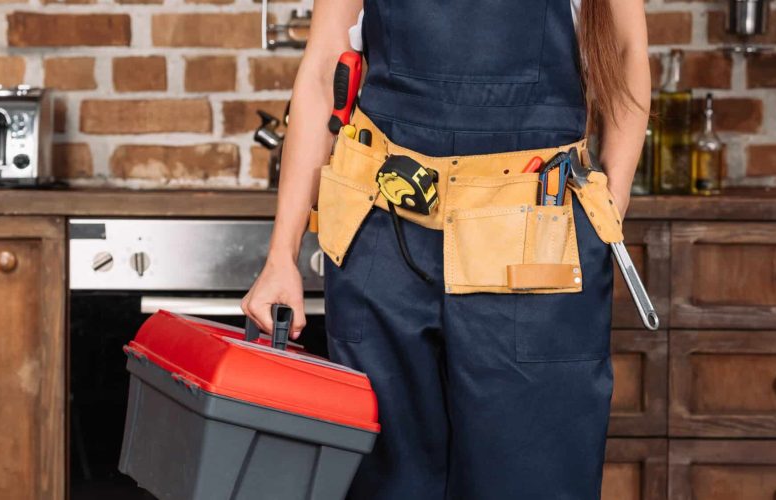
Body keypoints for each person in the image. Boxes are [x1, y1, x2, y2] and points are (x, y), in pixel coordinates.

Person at [242, 0, 649, 497]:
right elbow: (324, 64)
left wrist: (610, 200)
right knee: (386, 480)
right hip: (383, 236)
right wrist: (282, 253)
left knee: (531, 478)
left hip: (532, 241)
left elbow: (626, 51)